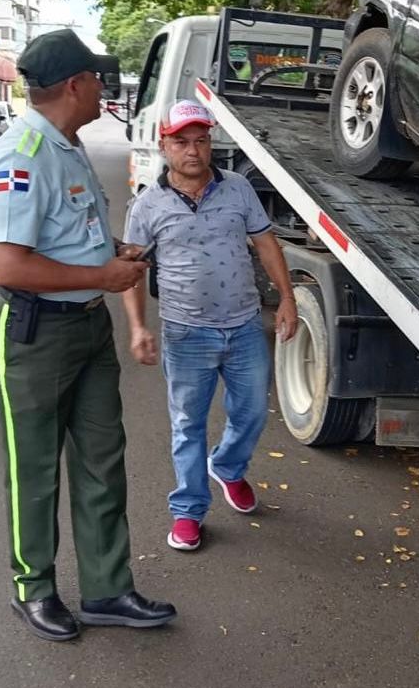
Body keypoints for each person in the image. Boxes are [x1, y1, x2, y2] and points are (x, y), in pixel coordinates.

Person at [0, 28, 176, 642]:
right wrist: (103, 273)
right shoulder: (21, 155)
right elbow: (6, 265)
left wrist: (114, 252)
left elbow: (69, 231)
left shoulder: (68, 145)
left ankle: (107, 588)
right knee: (34, 468)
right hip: (30, 330)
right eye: (95, 78)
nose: (101, 88)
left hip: (86, 324)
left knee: (101, 460)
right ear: (74, 85)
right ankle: (32, 589)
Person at [122, 99, 298, 552]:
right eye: (181, 142)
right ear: (164, 146)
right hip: (185, 333)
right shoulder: (147, 204)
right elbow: (130, 270)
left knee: (253, 411)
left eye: (201, 140)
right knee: (188, 424)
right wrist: (139, 327)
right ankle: (188, 509)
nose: (193, 151)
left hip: (242, 327)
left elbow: (265, 242)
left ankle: (228, 467)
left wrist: (287, 298)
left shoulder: (238, 188)